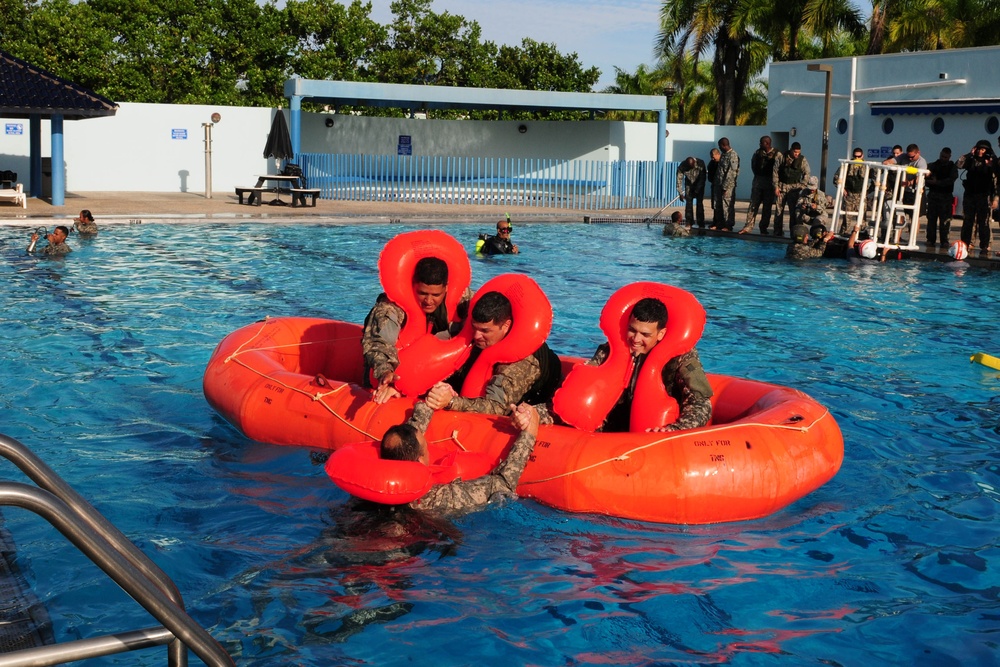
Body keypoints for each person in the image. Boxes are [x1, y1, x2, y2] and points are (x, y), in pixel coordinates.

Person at [379, 401, 539, 514]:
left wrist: (428, 405)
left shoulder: (375, 491)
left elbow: (407, 441)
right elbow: (503, 484)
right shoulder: (438, 499)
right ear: (420, 461)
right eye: (426, 447)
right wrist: (529, 433)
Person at [584, 297, 712, 433]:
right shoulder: (611, 350)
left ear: (660, 334)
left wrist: (675, 429)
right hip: (611, 430)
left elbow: (701, 403)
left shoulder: (681, 356)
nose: (636, 339)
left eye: (645, 334)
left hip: (655, 434)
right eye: (632, 330)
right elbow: (587, 384)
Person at [425, 291, 562, 416]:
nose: (477, 335)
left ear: (506, 326)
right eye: (474, 327)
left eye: (485, 331)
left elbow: (497, 407)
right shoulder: (476, 329)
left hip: (533, 405)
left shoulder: (521, 363)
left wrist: (451, 402)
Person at [362, 256, 471, 403]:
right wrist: (385, 371)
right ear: (413, 285)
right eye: (422, 293)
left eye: (436, 295)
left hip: (435, 367)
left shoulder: (461, 297)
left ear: (446, 288)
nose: (429, 301)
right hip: (393, 375)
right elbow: (378, 343)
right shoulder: (390, 308)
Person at [956, 139, 998, 257]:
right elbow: (958, 164)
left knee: (984, 221)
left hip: (984, 195)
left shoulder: (991, 162)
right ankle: (966, 243)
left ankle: (985, 245)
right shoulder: (971, 160)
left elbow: (996, 177)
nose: (980, 151)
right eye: (979, 149)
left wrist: (994, 198)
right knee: (968, 221)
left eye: (983, 149)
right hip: (970, 194)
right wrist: (969, 154)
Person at [740, 135, 778, 234]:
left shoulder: (777, 154)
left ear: (767, 143)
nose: (760, 144)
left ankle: (763, 227)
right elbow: (753, 165)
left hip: (769, 184)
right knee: (753, 205)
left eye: (761, 143)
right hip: (758, 182)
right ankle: (748, 227)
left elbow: (778, 170)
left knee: (767, 207)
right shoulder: (757, 153)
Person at [923, 148, 958, 248]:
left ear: (949, 157)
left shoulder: (952, 167)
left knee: (945, 221)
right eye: (942, 156)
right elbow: (925, 177)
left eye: (945, 157)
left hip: (946, 197)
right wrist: (930, 179)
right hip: (934, 196)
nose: (943, 158)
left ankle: (944, 240)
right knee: (931, 219)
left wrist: (937, 182)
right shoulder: (933, 165)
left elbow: (951, 180)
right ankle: (930, 239)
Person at [773, 142, 810, 238]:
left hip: (794, 189)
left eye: (798, 152)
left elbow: (807, 173)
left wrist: (802, 185)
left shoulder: (802, 160)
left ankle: (793, 233)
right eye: (795, 152)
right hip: (782, 187)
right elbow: (775, 172)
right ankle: (777, 231)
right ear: (791, 150)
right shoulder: (782, 157)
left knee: (793, 212)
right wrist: (776, 186)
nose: (796, 154)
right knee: (778, 211)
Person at [833, 148, 872, 234]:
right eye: (855, 156)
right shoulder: (848, 165)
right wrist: (842, 189)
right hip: (849, 196)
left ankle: (861, 236)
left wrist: (869, 190)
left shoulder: (866, 166)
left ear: (862, 156)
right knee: (846, 221)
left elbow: (875, 177)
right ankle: (843, 237)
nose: (857, 159)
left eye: (859, 156)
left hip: (861, 196)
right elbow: (836, 178)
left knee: (862, 221)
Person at [712, 138, 739, 231]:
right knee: (718, 205)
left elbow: (731, 173)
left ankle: (728, 225)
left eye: (720, 146)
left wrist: (725, 186)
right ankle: (719, 223)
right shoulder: (723, 155)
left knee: (727, 205)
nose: (719, 148)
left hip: (728, 186)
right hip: (718, 184)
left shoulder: (733, 155)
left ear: (724, 145)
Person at [676, 156, 707, 228]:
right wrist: (680, 193)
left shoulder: (700, 163)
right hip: (689, 185)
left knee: (699, 204)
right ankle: (689, 222)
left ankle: (701, 223)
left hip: (699, 184)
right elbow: (679, 179)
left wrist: (697, 190)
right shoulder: (682, 165)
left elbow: (703, 178)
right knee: (688, 204)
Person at [706, 148, 722, 228]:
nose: (712, 158)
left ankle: (721, 223)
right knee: (714, 205)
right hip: (714, 185)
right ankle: (715, 221)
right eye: (711, 157)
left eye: (713, 157)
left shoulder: (723, 162)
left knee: (721, 206)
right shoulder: (712, 163)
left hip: (721, 186)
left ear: (718, 154)